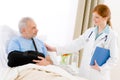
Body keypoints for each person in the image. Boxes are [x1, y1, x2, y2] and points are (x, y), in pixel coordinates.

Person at [45, 4, 119, 80]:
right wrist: (55, 49)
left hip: (99, 76)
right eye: (93, 16)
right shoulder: (90, 32)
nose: (93, 19)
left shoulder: (112, 35)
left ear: (105, 18)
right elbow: (75, 45)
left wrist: (101, 68)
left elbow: (114, 59)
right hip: (84, 73)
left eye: (97, 17)